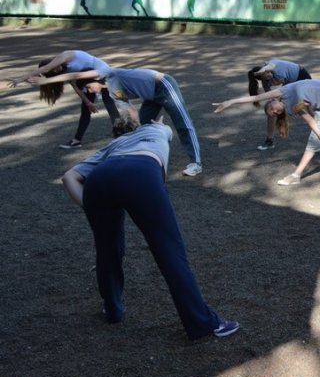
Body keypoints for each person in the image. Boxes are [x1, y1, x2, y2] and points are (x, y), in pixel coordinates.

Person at [61, 117, 238, 340]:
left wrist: (93, 208)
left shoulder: (112, 146)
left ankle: (113, 309)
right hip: (141, 172)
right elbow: (169, 129)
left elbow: (69, 177)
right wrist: (158, 122)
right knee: (169, 251)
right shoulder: (156, 128)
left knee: (107, 251)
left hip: (100, 178)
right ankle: (203, 324)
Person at [29, 67, 203, 176]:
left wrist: (48, 79)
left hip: (163, 85)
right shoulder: (112, 91)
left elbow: (77, 73)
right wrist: (131, 130)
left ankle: (196, 163)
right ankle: (138, 159)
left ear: (94, 80)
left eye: (89, 87)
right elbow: (130, 112)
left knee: (183, 123)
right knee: (140, 128)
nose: (91, 91)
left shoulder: (109, 76)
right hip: (150, 95)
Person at [214, 79, 320, 189]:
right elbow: (311, 121)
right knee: (313, 142)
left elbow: (255, 97)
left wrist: (230, 102)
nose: (274, 111)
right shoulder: (292, 109)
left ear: (273, 100)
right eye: (274, 113)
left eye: (272, 108)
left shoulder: (282, 91)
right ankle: (296, 176)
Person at [7, 50, 120, 149]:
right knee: (85, 110)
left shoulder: (65, 55)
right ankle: (77, 141)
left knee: (109, 103)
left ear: (53, 63)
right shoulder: (65, 72)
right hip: (86, 80)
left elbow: (45, 68)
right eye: (54, 72)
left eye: (54, 68)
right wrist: (88, 102)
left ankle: (122, 135)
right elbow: (76, 87)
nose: (57, 71)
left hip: (101, 73)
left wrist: (20, 79)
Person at [247, 59, 312, 151]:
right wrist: (272, 105)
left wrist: (280, 102)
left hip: (301, 76)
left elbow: (284, 89)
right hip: (290, 83)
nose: (268, 75)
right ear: (262, 79)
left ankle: (319, 133)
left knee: (306, 107)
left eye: (268, 72)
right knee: (271, 110)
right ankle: (269, 140)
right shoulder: (265, 81)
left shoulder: (275, 69)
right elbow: (271, 96)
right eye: (265, 76)